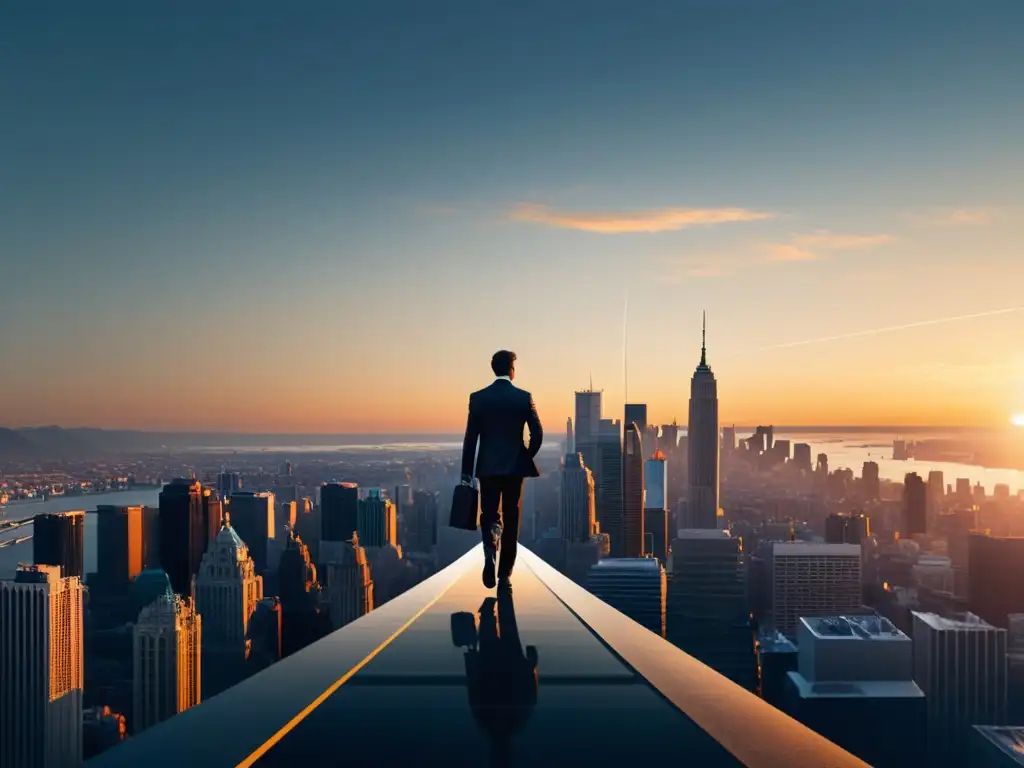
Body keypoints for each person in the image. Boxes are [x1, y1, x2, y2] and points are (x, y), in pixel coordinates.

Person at [460, 350, 543, 590]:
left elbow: (470, 439)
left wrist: (466, 473)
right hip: (514, 468)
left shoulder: (478, 398)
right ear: (511, 370)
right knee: (511, 515)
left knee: (488, 514)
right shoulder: (523, 397)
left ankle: (490, 551)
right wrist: (525, 456)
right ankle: (505, 572)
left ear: (493, 368)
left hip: (487, 468)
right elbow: (537, 433)